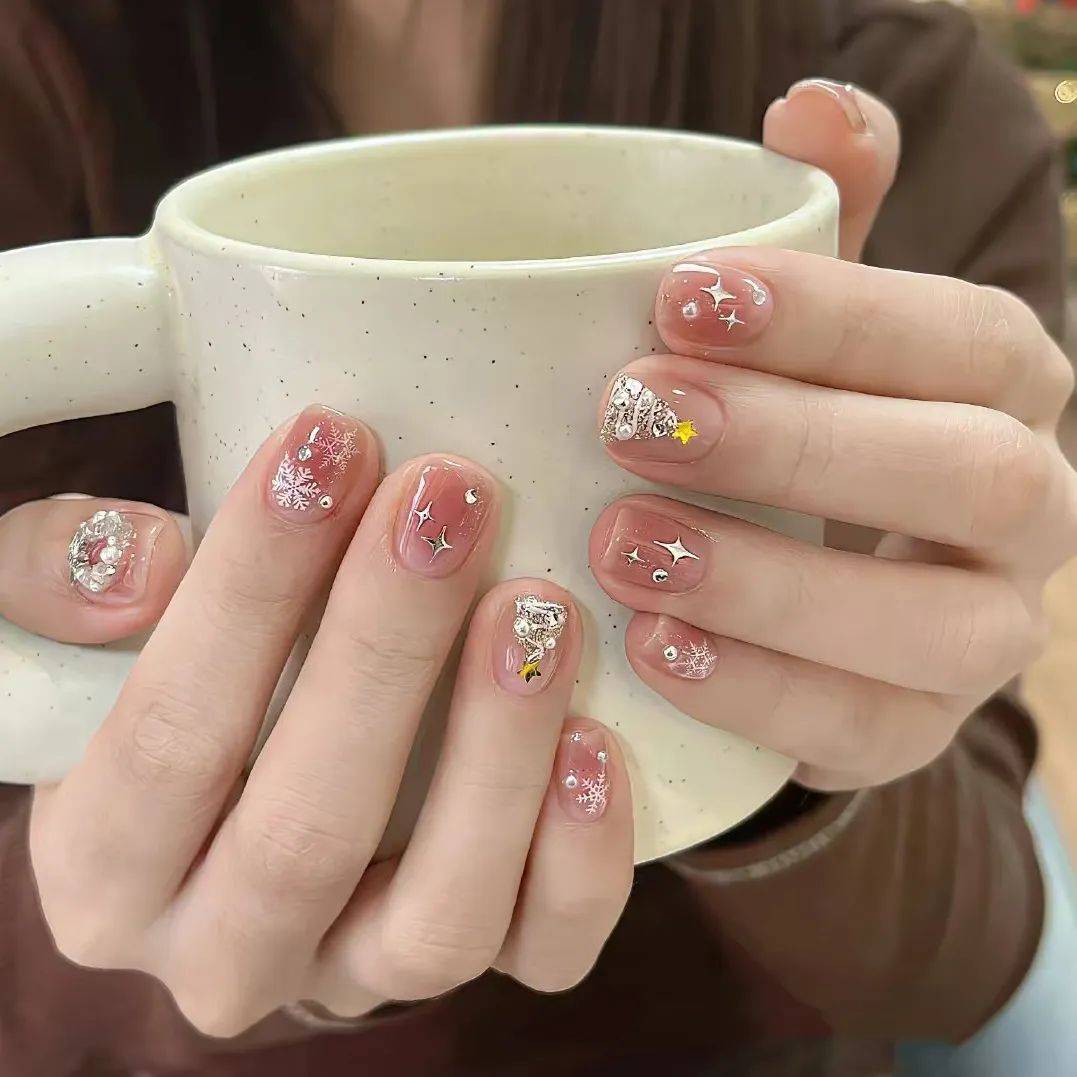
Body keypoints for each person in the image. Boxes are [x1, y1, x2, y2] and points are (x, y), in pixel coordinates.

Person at [0, 2, 1071, 1074]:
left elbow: (971, 962)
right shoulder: (34, 93)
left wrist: (792, 747)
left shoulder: (899, 83)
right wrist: (152, 880)